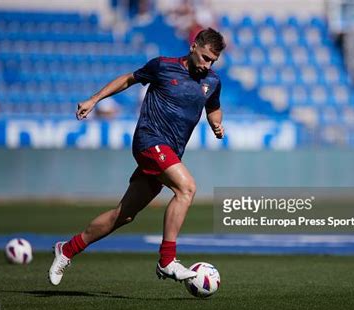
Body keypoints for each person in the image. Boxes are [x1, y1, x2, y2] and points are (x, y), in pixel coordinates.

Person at [48, 28, 226, 285]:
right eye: (206, 57)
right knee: (186, 188)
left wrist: (216, 124)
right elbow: (128, 79)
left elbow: (214, 108)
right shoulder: (163, 66)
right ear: (193, 46)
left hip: (170, 152)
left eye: (213, 61)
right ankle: (167, 260)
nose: (207, 64)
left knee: (124, 215)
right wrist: (94, 99)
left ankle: (67, 249)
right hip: (149, 140)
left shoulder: (212, 81)